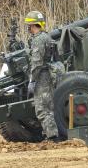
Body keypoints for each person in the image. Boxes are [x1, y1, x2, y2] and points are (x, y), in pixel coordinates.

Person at [24, 11, 61, 142]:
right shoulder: (47, 37)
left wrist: (32, 80)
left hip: (42, 76)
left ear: (32, 25)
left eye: (29, 26)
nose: (28, 28)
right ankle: (49, 135)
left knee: (42, 108)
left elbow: (37, 62)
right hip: (47, 74)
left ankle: (52, 137)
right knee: (47, 107)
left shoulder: (39, 39)